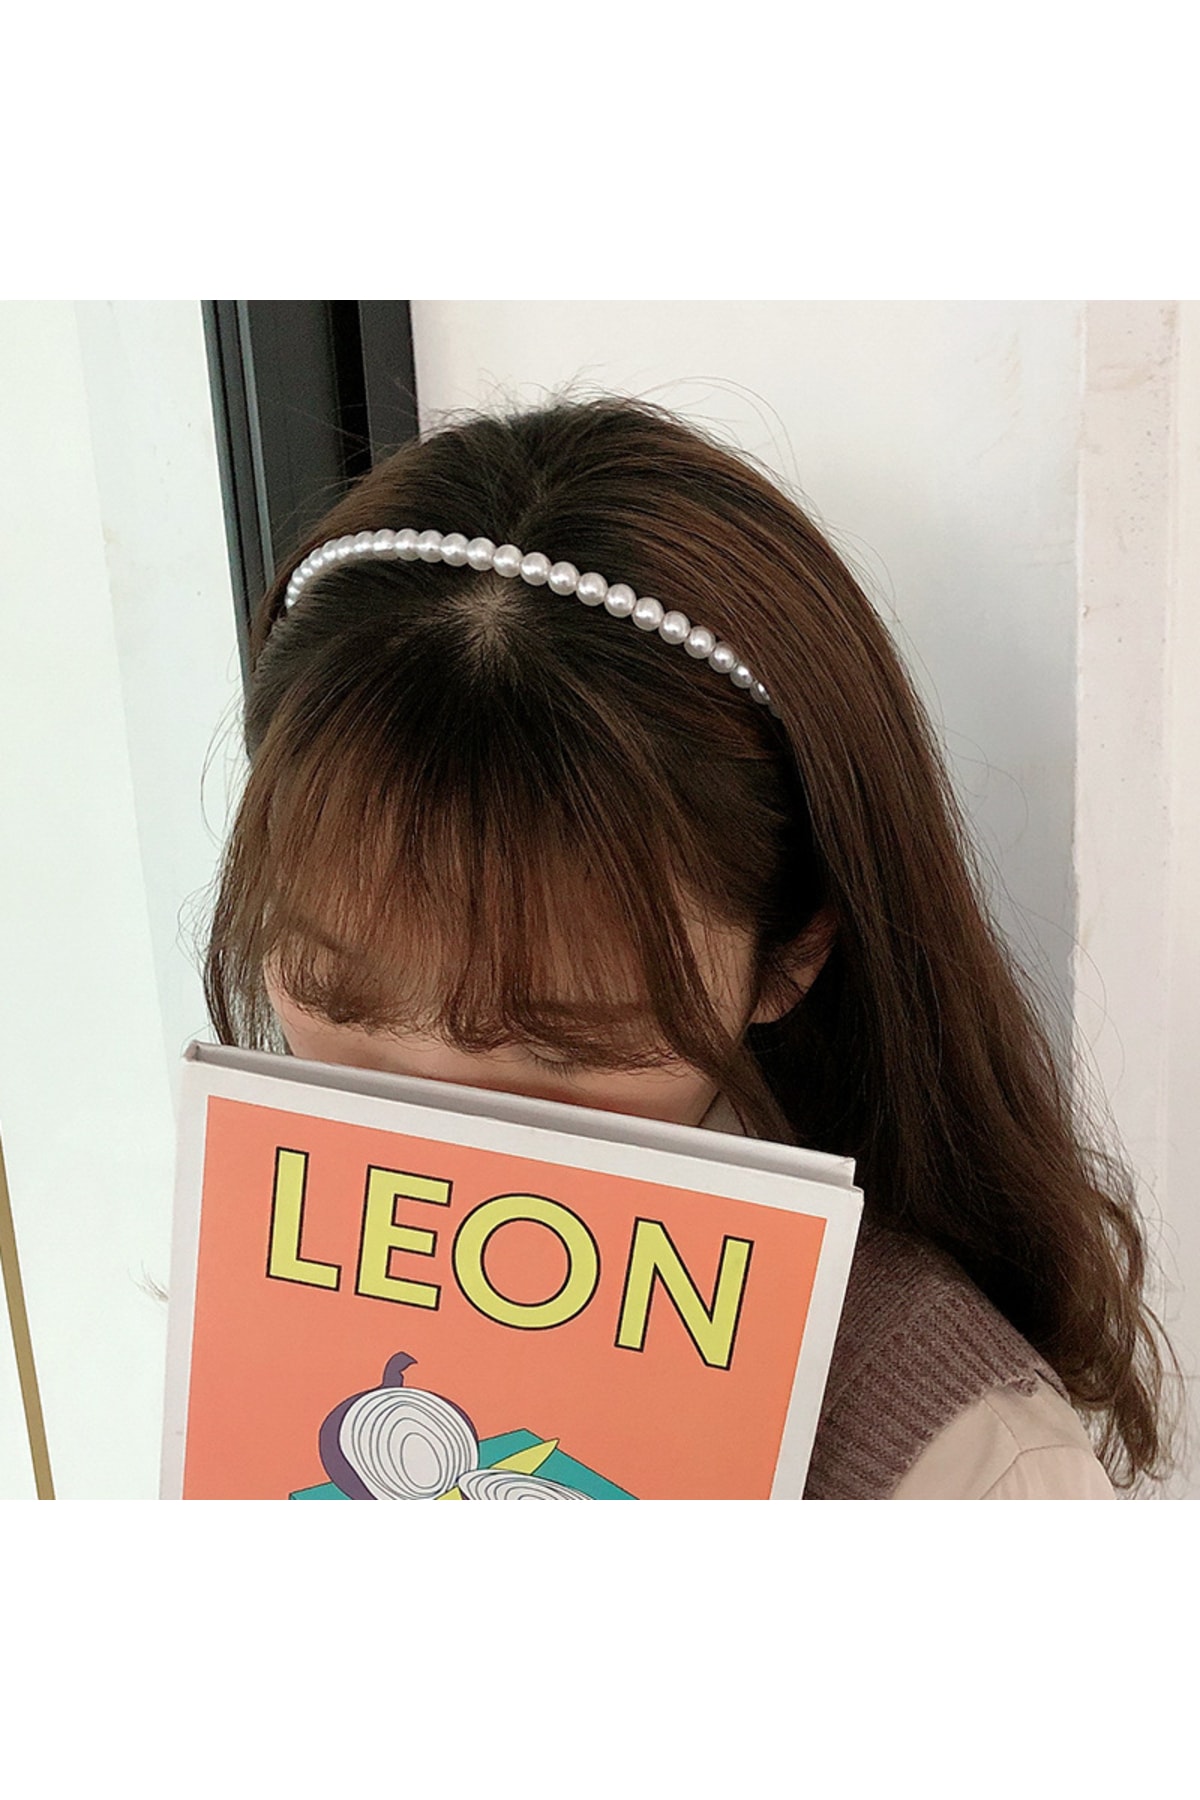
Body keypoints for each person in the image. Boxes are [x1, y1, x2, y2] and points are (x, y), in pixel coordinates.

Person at [203, 391, 1184, 1499]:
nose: (433, 1114)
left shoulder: (969, 1470)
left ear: (789, 955)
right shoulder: (258, 1256)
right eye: (338, 988)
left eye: (563, 1043)